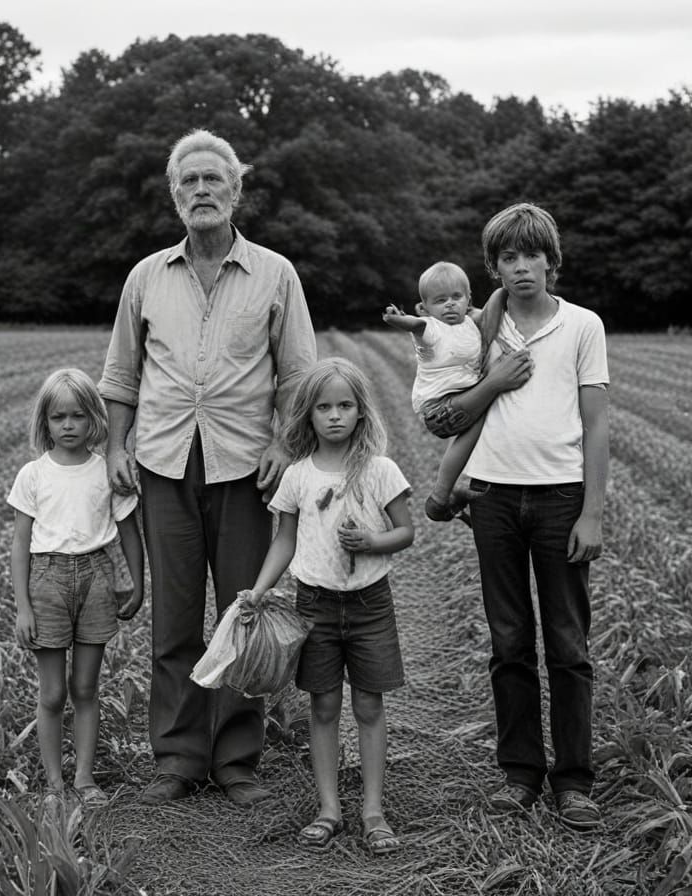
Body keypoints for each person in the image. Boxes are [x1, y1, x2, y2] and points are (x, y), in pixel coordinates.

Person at [98, 129, 318, 807]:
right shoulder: (145, 277)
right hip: (165, 462)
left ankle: (237, 759)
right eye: (188, 181)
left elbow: (300, 374)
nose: (201, 191)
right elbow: (121, 373)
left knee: (246, 609)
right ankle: (178, 757)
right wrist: (113, 446)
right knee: (174, 620)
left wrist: (285, 443)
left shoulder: (276, 273)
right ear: (173, 193)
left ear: (236, 190)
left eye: (212, 180)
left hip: (248, 467)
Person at [463, 203, 609, 831]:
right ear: (493, 266)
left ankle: (574, 781)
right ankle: (520, 773)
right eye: (508, 257)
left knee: (569, 646)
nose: (521, 267)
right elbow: (447, 403)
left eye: (532, 255)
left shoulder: (582, 326)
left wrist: (593, 513)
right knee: (509, 642)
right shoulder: (479, 331)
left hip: (560, 501)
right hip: (493, 499)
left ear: (552, 260)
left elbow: (597, 422)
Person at [247, 357, 414, 855]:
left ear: (362, 412)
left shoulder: (379, 471)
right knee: (323, 705)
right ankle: (328, 809)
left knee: (367, 703)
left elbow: (405, 532)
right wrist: (258, 590)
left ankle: (373, 810)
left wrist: (371, 541)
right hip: (314, 604)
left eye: (345, 406)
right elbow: (284, 541)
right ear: (308, 415)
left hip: (369, 605)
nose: (335, 416)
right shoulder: (298, 476)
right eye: (324, 407)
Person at [8, 368, 146, 816]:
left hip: (97, 578)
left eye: (78, 416)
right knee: (51, 694)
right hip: (47, 583)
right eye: (57, 417)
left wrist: (137, 579)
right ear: (44, 422)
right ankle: (52, 782)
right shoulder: (33, 475)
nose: (68, 425)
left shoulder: (106, 472)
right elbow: (20, 547)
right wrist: (23, 607)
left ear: (95, 420)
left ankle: (84, 777)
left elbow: (129, 531)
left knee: (85, 687)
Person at [382, 262, 528, 525]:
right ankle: (439, 497)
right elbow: (415, 325)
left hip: (460, 401)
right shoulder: (431, 328)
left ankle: (450, 497)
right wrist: (397, 319)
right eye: (440, 301)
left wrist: (504, 290)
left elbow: (488, 315)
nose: (449, 305)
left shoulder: (469, 324)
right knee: (484, 414)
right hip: (439, 408)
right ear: (426, 308)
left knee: (482, 423)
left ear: (468, 300)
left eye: (456, 298)